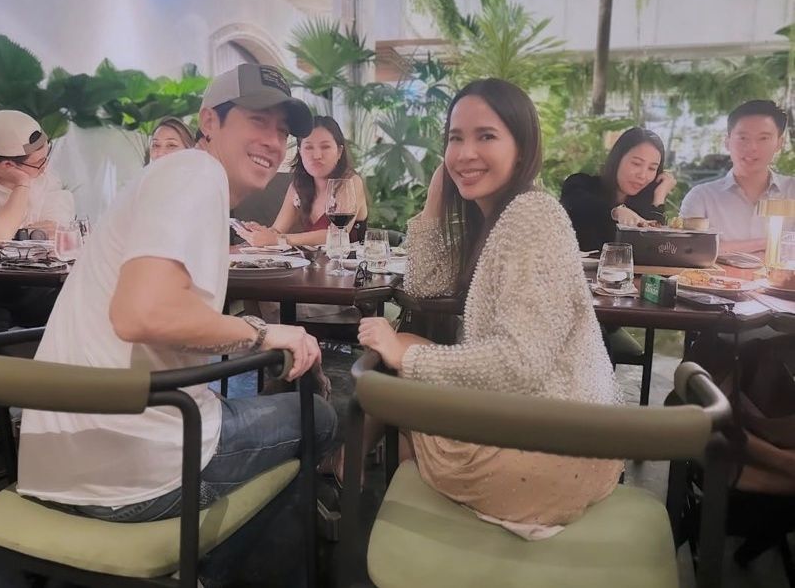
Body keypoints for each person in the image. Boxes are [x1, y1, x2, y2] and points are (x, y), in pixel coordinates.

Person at [17, 64, 337, 535]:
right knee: (320, 416)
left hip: (61, 463)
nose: (273, 141)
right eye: (258, 120)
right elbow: (143, 313)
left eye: (283, 130)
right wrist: (263, 332)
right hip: (133, 469)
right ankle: (225, 558)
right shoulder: (196, 172)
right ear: (209, 121)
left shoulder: (171, 176)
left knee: (256, 403)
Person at [356, 79, 622, 539]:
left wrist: (408, 356)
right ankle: (370, 483)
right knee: (401, 362)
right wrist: (437, 196)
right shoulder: (497, 218)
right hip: (557, 436)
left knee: (399, 376)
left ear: (522, 148)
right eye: (455, 138)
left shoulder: (532, 216)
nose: (465, 153)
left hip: (553, 451)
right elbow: (424, 283)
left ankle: (403, 520)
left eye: (486, 136)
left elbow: (519, 363)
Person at [681, 100, 793, 255]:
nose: (752, 147)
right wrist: (767, 243)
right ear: (727, 142)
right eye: (743, 138)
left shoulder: (791, 191)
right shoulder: (702, 197)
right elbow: (687, 250)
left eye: (763, 138)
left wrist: (722, 247)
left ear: (779, 143)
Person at [236, 115, 368, 246]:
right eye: (309, 147)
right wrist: (259, 234)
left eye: (325, 147)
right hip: (310, 260)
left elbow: (338, 234)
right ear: (300, 152)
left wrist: (278, 240)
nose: (317, 155)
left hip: (352, 260)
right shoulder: (298, 186)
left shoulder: (350, 182)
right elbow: (278, 230)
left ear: (339, 152)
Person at [0, 109, 75, 247]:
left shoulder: (38, 170)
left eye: (46, 157)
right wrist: (22, 185)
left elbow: (58, 221)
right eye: (38, 163)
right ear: (8, 165)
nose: (45, 168)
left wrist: (36, 231)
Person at [560, 127, 675, 252]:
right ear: (617, 159)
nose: (642, 175)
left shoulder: (644, 204)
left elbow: (655, 249)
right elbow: (576, 202)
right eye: (636, 164)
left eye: (652, 168)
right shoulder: (581, 184)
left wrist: (659, 196)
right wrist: (615, 212)